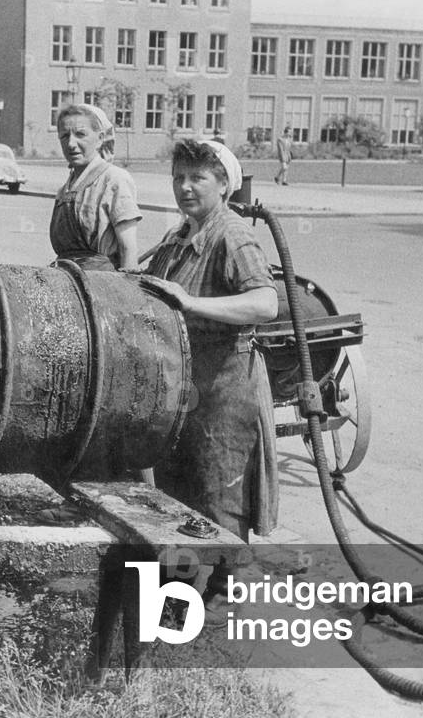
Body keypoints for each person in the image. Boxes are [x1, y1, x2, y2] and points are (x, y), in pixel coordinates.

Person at [140, 139, 279, 612]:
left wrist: (193, 302)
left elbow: (266, 302)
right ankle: (182, 594)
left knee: (220, 492)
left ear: (224, 184)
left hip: (225, 380)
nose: (184, 186)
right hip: (186, 381)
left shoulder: (231, 234)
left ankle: (229, 602)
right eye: (178, 176)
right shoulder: (181, 235)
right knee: (178, 492)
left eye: (197, 177)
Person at [49, 103, 142, 271]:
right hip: (64, 276)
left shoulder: (114, 180)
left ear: (100, 139)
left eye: (80, 134)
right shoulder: (64, 190)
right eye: (64, 136)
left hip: (100, 282)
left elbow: (128, 248)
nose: (71, 143)